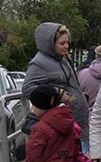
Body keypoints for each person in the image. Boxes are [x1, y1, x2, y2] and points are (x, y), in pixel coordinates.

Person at [23, 23, 90, 152]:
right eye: (62, 43)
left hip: (75, 122)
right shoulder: (39, 63)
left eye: (67, 42)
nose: (66, 46)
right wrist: (56, 93)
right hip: (61, 127)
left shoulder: (61, 59)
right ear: (49, 43)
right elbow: (27, 89)